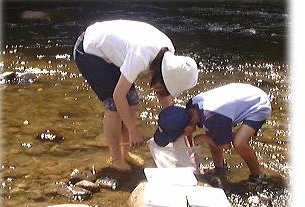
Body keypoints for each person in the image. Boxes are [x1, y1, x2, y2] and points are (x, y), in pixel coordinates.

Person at [73, 19, 198, 171]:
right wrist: (133, 131)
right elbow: (118, 95)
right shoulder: (141, 56)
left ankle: (126, 153)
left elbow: (164, 94)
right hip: (90, 50)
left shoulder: (169, 54)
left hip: (114, 51)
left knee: (131, 101)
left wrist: (175, 125)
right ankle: (116, 157)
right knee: (113, 106)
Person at [153, 83, 272, 184]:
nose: (180, 137)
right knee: (212, 134)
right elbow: (188, 133)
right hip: (242, 94)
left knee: (239, 142)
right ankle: (220, 168)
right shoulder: (191, 108)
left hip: (257, 104)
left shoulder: (213, 118)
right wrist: (191, 152)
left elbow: (226, 145)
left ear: (186, 127)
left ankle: (257, 176)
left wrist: (204, 138)